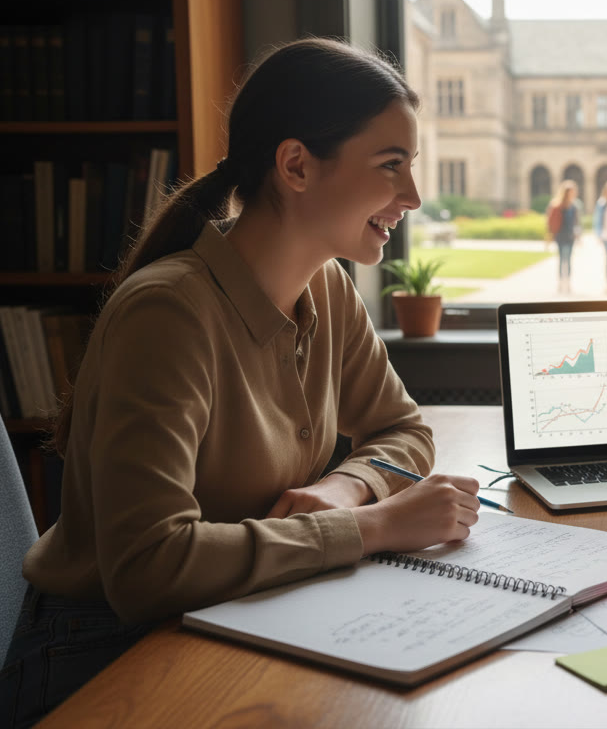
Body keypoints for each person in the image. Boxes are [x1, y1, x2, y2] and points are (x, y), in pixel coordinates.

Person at [0, 38, 483, 727]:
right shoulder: (167, 314)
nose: (412, 195)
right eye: (390, 166)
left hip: (237, 610)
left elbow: (402, 428)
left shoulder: (328, 289)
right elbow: (149, 568)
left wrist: (342, 488)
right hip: (100, 654)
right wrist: (370, 525)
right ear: (296, 166)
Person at [547, 180, 580, 294]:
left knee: (569, 259)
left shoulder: (574, 206)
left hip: (570, 236)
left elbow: (576, 223)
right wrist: (550, 235)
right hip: (560, 236)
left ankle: (568, 282)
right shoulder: (557, 205)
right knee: (562, 259)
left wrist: (578, 236)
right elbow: (550, 221)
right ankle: (561, 281)